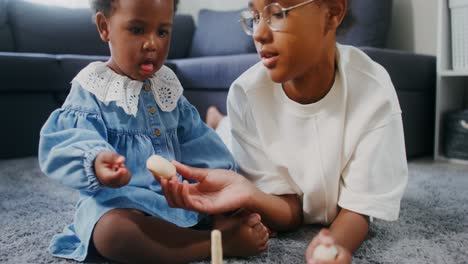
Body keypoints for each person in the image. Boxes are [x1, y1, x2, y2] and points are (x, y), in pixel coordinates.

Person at [161, 0, 408, 263]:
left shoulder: (372, 91)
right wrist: (249, 193)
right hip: (237, 133)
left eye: (277, 14)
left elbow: (359, 209)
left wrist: (335, 245)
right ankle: (219, 120)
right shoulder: (246, 95)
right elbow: (288, 209)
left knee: (225, 127)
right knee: (224, 136)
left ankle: (218, 119)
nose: (259, 33)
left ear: (333, 12)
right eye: (255, 17)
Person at [38, 0, 269, 263]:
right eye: (137, 30)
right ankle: (214, 243)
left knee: (233, 206)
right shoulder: (93, 88)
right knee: (113, 233)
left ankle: (215, 231)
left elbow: (198, 140)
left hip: (178, 202)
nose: (152, 44)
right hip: (121, 204)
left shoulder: (167, 87)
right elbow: (65, 142)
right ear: (105, 28)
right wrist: (96, 161)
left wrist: (219, 188)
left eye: (162, 32)